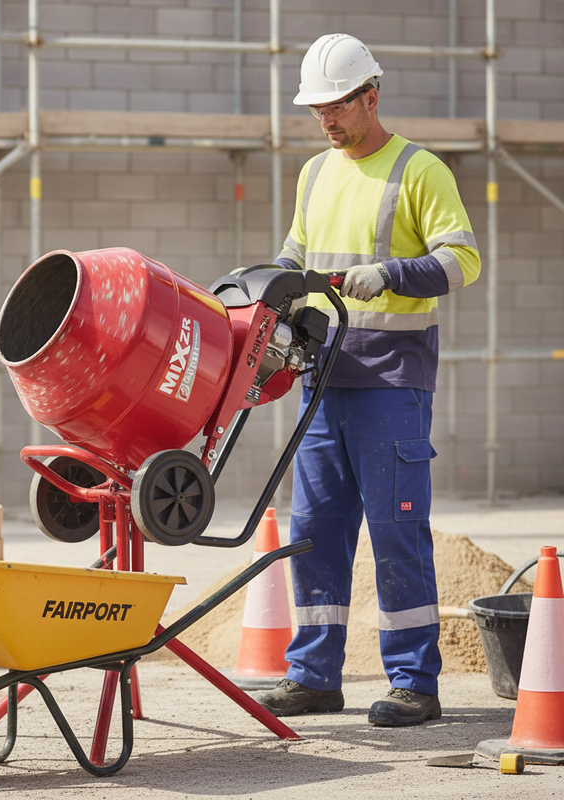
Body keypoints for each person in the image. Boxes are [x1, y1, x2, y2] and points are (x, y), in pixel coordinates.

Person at [252, 33, 481, 727]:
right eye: (316, 109)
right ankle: (314, 676)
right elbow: (296, 251)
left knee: (396, 531)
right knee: (315, 531)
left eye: (336, 106)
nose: (324, 119)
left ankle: (414, 683)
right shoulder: (314, 173)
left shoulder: (420, 170)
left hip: (392, 381)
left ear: (370, 97)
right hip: (323, 379)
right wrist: (271, 283)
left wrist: (390, 273)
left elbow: (463, 261)